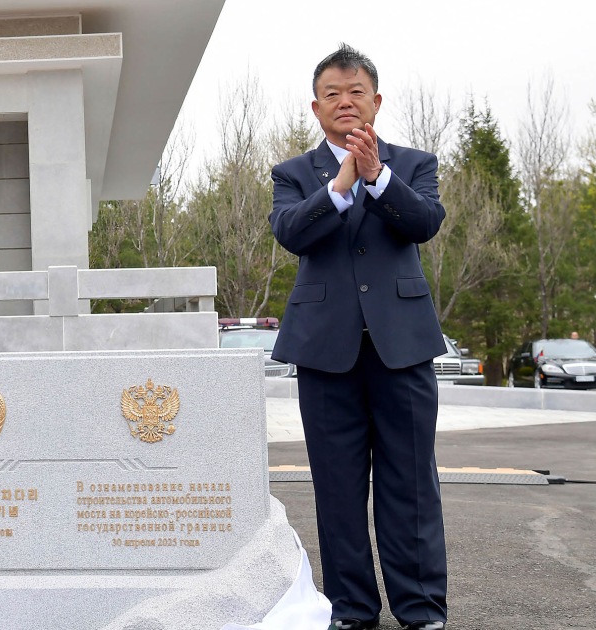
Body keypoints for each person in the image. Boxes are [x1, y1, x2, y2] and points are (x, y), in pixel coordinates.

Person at [269, 44, 448, 630]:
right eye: (332, 95)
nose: (345, 102)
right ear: (316, 107)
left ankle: (421, 609)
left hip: (403, 347)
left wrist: (375, 176)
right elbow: (293, 234)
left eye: (356, 93)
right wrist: (342, 183)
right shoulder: (293, 174)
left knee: (411, 482)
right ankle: (351, 608)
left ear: (376, 100)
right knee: (338, 488)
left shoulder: (413, 163)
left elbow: (423, 222)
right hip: (325, 350)